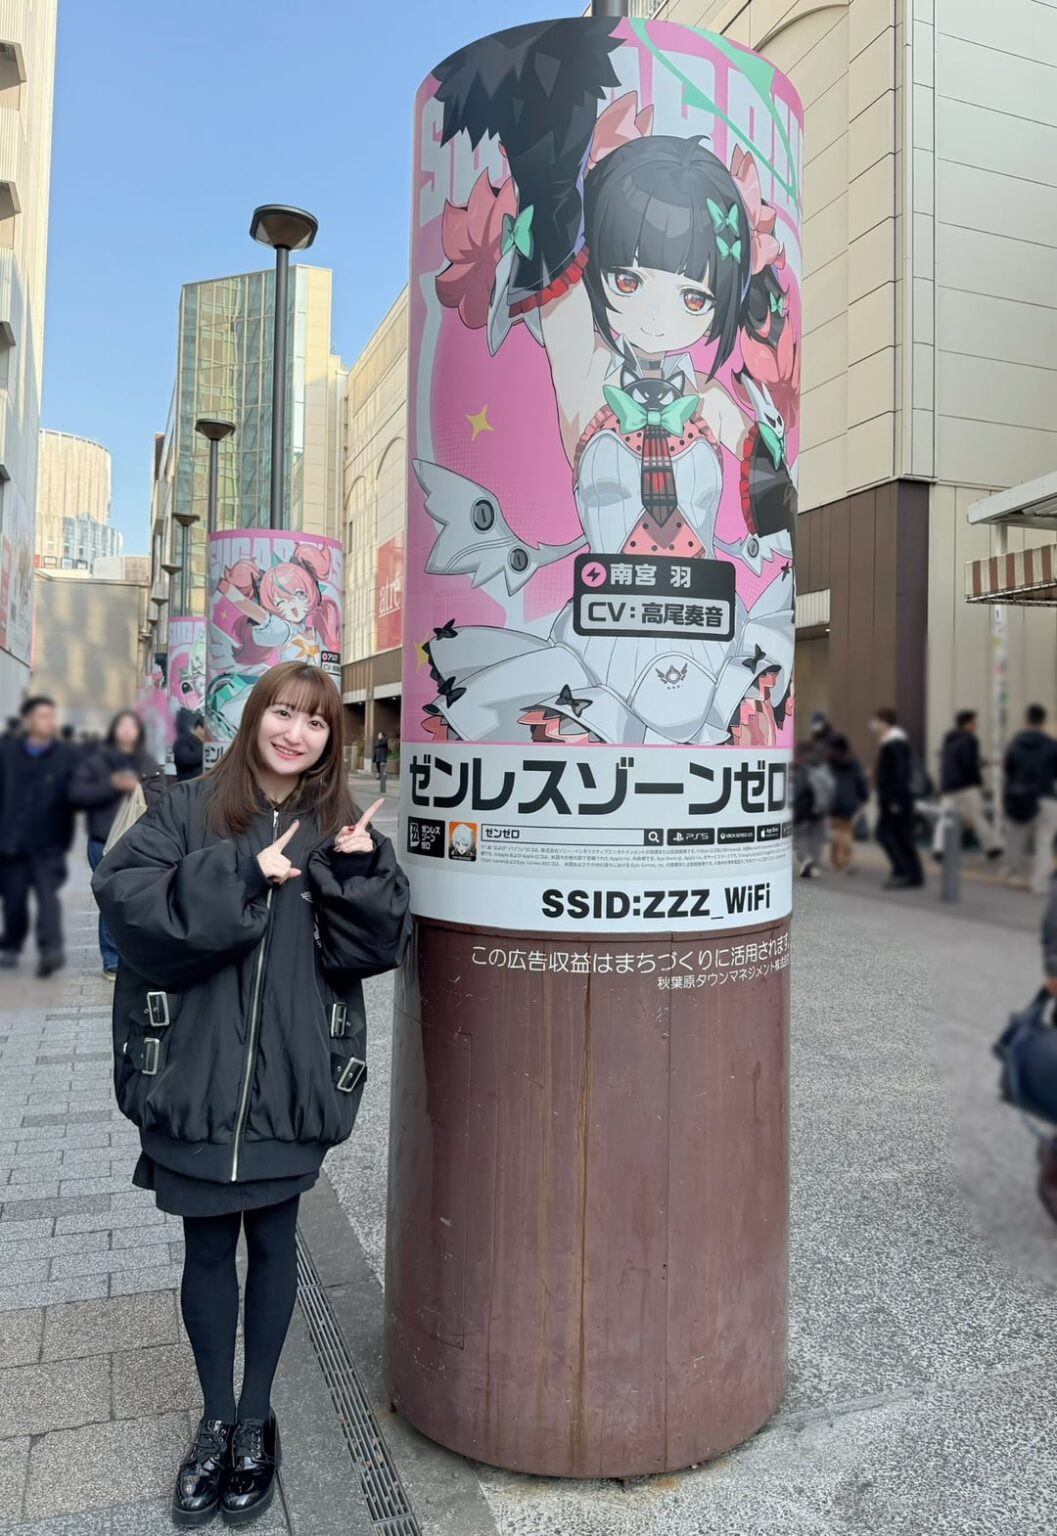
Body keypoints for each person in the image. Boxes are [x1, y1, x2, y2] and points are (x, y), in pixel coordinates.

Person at [92, 661, 411, 1528]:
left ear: (328, 741)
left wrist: (359, 873)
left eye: (316, 722)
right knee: (205, 1253)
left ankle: (256, 1419)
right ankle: (214, 1419)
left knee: (273, 1246)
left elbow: (369, 951)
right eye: (284, 712)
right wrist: (242, 872)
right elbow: (125, 904)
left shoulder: (337, 821)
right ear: (255, 718)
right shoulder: (184, 807)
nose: (295, 733)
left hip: (289, 1079)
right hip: (193, 1077)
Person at [69, 711, 163, 979]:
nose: (126, 731)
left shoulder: (147, 761)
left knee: (135, 898)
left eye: (131, 726)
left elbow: (160, 796)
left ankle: (135, 955)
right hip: (102, 840)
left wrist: (138, 788)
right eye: (121, 725)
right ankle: (112, 960)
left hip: (136, 841)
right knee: (111, 898)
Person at [0, 696, 75, 976]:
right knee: (15, 900)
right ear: (29, 720)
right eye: (43, 716)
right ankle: (11, 944)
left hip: (49, 843)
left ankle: (51, 950)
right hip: (12, 844)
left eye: (52, 716)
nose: (49, 722)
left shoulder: (65, 755)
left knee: (48, 898)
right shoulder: (7, 752)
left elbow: (79, 791)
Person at [934, 709, 1002, 862]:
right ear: (967, 724)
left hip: (948, 785)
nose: (976, 725)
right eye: (974, 722)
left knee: (944, 817)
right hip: (965, 785)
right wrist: (979, 778)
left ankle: (939, 849)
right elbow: (969, 763)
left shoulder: (948, 738)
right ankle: (992, 848)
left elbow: (956, 759)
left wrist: (984, 762)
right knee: (978, 816)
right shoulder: (970, 740)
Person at [1004, 704, 1057, 894]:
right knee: (1044, 842)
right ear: (1043, 722)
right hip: (1047, 797)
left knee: (1016, 839)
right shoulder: (1052, 745)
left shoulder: (1015, 743)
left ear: (1025, 721)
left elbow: (1008, 770)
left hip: (1020, 797)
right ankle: (1039, 884)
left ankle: (1017, 877)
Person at [871, 706, 924, 890]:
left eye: (876, 721)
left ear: (885, 722)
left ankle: (902, 871)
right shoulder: (893, 741)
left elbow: (900, 774)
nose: (874, 725)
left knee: (884, 834)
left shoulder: (894, 743)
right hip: (898, 798)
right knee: (903, 836)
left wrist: (895, 800)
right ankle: (914, 875)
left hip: (895, 800)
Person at [827, 734, 869, 873]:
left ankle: (843, 860)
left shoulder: (830, 761)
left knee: (838, 831)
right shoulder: (852, 761)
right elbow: (860, 780)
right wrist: (864, 796)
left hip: (833, 800)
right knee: (844, 831)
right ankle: (839, 860)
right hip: (849, 800)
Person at [792, 740, 832, 879]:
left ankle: (807, 862)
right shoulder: (821, 768)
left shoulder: (803, 771)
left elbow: (796, 792)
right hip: (818, 810)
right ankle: (811, 863)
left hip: (803, 811)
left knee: (797, 839)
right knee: (814, 839)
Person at [173, 710, 206, 784]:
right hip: (187, 786)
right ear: (199, 728)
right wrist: (205, 751)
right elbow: (184, 759)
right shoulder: (183, 741)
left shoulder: (203, 744)